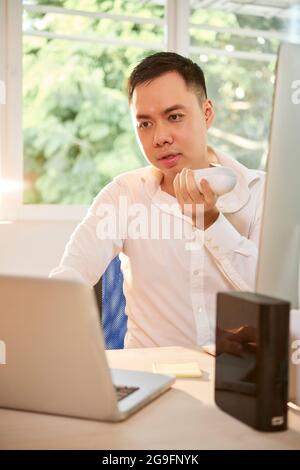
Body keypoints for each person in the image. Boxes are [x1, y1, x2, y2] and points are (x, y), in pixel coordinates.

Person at [50, 52, 265, 348]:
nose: (160, 137)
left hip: (235, 381)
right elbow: (70, 275)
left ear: (206, 113)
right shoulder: (122, 196)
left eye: (174, 117)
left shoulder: (259, 192)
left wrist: (212, 221)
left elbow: (273, 299)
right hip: (150, 379)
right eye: (145, 124)